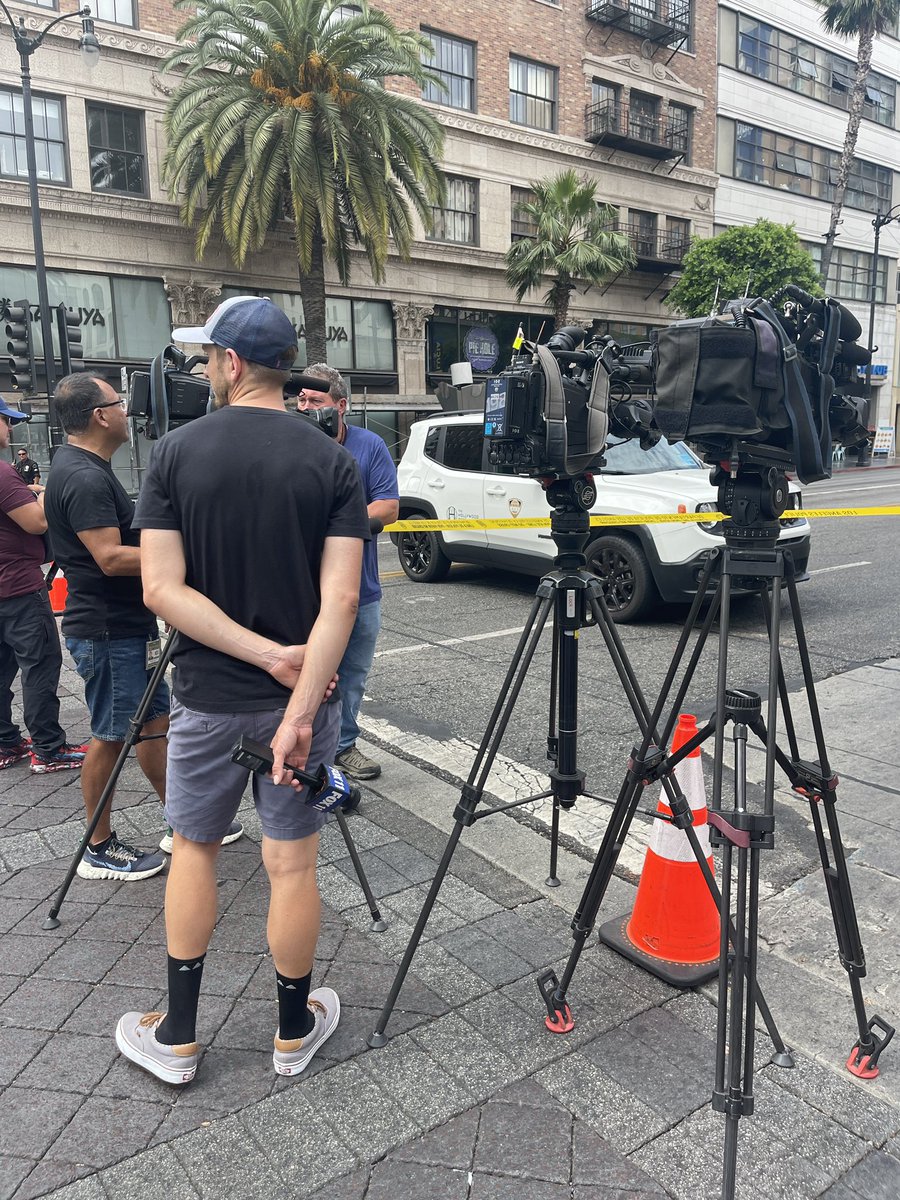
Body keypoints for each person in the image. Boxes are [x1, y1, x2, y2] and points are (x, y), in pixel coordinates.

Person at [114, 295, 368, 1086]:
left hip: (208, 696)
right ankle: (293, 1032)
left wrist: (260, 655)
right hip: (306, 704)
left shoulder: (176, 454)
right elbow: (345, 602)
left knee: (194, 849)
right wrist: (296, 697)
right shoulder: (333, 460)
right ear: (284, 370)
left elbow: (161, 587)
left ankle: (180, 1037)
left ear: (227, 364)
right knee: (292, 863)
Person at [44, 375, 175, 882]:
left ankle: (180, 819)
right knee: (111, 735)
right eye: (120, 404)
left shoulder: (86, 468)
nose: (128, 412)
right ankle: (98, 847)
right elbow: (110, 557)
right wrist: (180, 557)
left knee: (153, 724)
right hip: (106, 630)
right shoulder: (83, 476)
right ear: (100, 415)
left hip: (124, 626)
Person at [298, 365, 398, 781]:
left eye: (315, 400)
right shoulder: (290, 443)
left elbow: (388, 507)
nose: (305, 407)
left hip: (361, 588)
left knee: (352, 675)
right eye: (301, 399)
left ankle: (343, 745)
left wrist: (338, 526)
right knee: (307, 673)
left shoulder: (369, 445)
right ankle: (306, 745)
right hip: (301, 591)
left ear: (341, 405)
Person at [0, 395, 86, 774]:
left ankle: (5, 742)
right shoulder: (3, 472)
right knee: (40, 664)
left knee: (1, 671)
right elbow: (35, 523)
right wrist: (48, 494)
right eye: (6, 420)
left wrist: (29, 491)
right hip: (18, 588)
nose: (11, 428)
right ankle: (48, 748)